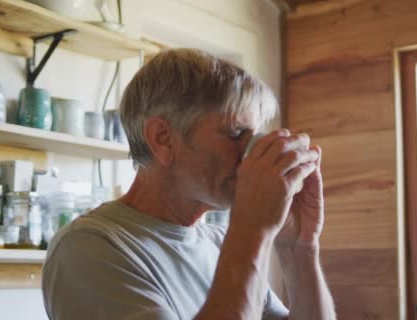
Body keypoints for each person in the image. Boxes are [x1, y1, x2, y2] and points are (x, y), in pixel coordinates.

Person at [42, 48, 336, 320]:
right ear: (163, 139)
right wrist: (252, 228)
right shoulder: (88, 249)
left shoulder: (220, 243)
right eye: (236, 135)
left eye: (254, 137)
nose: (251, 157)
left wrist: (300, 247)